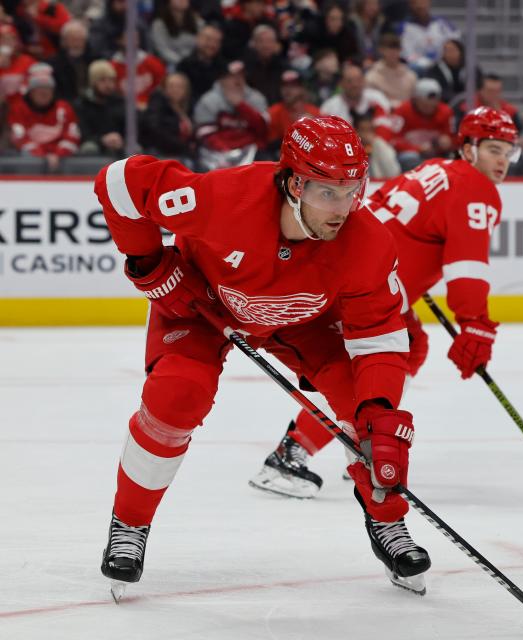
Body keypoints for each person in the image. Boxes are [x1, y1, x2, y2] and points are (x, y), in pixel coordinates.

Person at [95, 114, 430, 598]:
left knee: (369, 421)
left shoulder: (368, 242)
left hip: (303, 320)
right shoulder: (224, 198)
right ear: (294, 183)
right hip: (202, 304)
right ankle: (129, 524)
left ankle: (388, 523)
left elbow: (378, 337)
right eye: (328, 193)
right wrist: (148, 263)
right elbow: (119, 182)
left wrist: (379, 411)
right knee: (175, 399)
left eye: (353, 189)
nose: (345, 207)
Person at [249, 107, 520, 499]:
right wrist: (475, 323)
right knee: (363, 369)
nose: (501, 160)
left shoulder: (437, 170)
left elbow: (392, 219)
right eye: (493, 148)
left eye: (508, 152)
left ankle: (363, 442)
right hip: (362, 286)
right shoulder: (476, 189)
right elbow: (466, 269)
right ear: (468, 148)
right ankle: (290, 455)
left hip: (347, 270)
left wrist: (409, 267)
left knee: (411, 345)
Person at [6, 62, 80, 171]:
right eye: (39, 88)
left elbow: (72, 135)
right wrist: (42, 156)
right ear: (31, 91)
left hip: (61, 160)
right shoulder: (18, 109)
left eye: (47, 88)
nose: (44, 92)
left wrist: (58, 154)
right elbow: (19, 137)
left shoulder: (63, 108)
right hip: (29, 163)